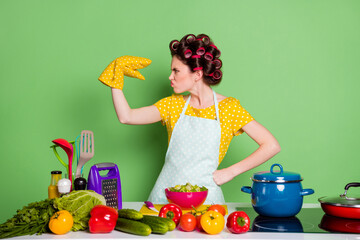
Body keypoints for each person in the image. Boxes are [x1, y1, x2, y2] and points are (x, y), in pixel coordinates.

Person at [107, 34, 281, 204]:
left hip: (206, 203)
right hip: (165, 200)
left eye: (176, 71)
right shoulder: (172, 105)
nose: (170, 76)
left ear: (197, 74)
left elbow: (271, 145)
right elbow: (126, 117)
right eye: (171, 70)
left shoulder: (229, 109)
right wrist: (115, 80)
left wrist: (231, 171)